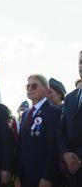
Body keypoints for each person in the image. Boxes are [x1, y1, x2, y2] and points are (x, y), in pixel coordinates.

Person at [15, 74, 62, 187]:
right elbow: (21, 145)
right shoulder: (26, 113)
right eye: (28, 86)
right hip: (25, 177)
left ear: (46, 89)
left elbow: (54, 147)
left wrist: (48, 177)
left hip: (42, 177)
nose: (30, 89)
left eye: (34, 86)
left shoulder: (53, 112)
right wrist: (18, 174)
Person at [58, 50, 82, 187]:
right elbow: (61, 132)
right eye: (80, 62)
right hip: (73, 175)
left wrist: (77, 158)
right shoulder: (70, 98)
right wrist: (66, 154)